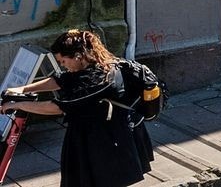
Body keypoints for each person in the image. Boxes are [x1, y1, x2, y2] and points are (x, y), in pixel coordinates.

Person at [0, 27, 153, 187]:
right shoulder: (91, 65)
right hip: (93, 132)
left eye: (63, 62)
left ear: (78, 56)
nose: (64, 66)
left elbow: (57, 107)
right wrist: (23, 89)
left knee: (100, 181)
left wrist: (17, 104)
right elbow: (60, 80)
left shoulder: (99, 80)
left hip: (107, 140)